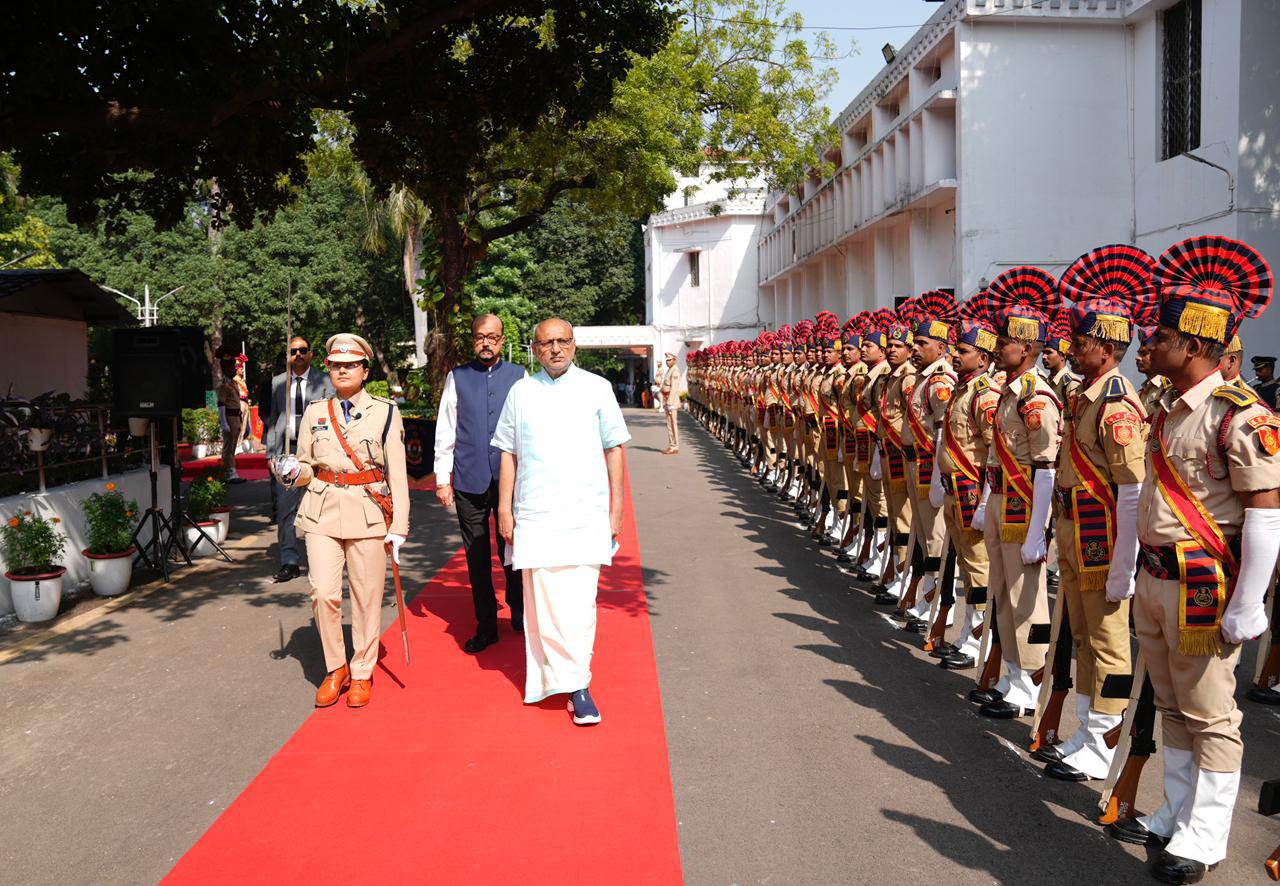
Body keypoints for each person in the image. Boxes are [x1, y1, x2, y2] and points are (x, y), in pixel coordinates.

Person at [1105, 236, 1279, 885]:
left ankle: (1206, 836)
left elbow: (1265, 510)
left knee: (1212, 715)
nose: (1150, 344)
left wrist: (1248, 603)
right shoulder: (1162, 405)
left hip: (1203, 585)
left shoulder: (1240, 416)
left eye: (1163, 336)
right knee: (1174, 706)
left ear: (1196, 344)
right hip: (1155, 578)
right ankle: (1177, 812)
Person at [1038, 245, 1153, 783]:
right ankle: (1086, 730)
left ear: (1105, 349)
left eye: (1080, 343)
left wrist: (1124, 567)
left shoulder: (1116, 404)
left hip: (1103, 536)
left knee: (1106, 638)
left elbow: (1131, 490)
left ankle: (1104, 736)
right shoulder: (1086, 396)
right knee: (1082, 635)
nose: (1071, 349)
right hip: (1075, 529)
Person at [494, 318, 630, 726]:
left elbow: (614, 449)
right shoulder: (521, 391)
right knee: (543, 604)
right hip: (535, 514)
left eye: (562, 341)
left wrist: (617, 508)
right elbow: (507, 453)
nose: (554, 349)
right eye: (546, 343)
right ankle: (558, 680)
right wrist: (504, 509)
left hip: (586, 513)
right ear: (534, 349)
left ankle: (579, 684)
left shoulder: (597, 388)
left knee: (580, 603)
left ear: (574, 346)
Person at [273, 333, 410, 709]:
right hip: (322, 511)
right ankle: (336, 668)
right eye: (336, 366)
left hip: (368, 513)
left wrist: (399, 526)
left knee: (367, 598)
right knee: (323, 594)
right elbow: (306, 465)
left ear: (365, 370)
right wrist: (290, 471)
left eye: (350, 365)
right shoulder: (316, 412)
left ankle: (362, 670)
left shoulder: (385, 411)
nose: (342, 371)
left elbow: (397, 473)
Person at [971, 267, 1062, 720]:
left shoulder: (1036, 397)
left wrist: (1038, 531)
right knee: (1003, 591)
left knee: (1027, 599)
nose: (997, 347)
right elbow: (995, 454)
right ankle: (1010, 674)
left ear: (1026, 348)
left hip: (1025, 505)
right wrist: (986, 503)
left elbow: (1046, 467)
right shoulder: (1009, 392)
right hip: (1002, 499)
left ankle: (1026, 683)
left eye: (1004, 341)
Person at [434, 313, 527, 653]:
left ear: (503, 340)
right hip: (469, 478)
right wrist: (443, 478)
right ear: (472, 340)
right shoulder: (457, 377)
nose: (486, 342)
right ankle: (486, 625)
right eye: (479, 337)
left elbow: (527, 429)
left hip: (510, 480)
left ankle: (518, 610)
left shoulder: (520, 376)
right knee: (476, 556)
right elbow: (446, 429)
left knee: (514, 549)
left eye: (492, 337)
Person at [265, 335, 335, 583]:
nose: (298, 355)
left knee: (320, 507)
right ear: (287, 355)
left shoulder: (325, 381)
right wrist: (271, 454)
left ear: (310, 354)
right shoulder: (278, 383)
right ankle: (289, 561)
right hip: (288, 452)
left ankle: (322, 559)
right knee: (285, 509)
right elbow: (273, 421)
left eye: (303, 350)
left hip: (317, 455)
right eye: (293, 351)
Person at [216, 357, 246, 484]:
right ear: (225, 369)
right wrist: (223, 422)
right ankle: (229, 473)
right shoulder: (224, 385)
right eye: (232, 367)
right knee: (228, 447)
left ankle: (231, 471)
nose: (234, 369)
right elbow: (221, 404)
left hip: (235, 417)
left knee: (232, 446)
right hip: (229, 417)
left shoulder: (233, 383)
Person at [660, 351, 682, 454]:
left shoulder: (675, 371)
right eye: (666, 360)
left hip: (671, 400)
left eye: (669, 360)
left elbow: (674, 388)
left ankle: (675, 446)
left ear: (674, 360)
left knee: (673, 423)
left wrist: (670, 403)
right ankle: (672, 445)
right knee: (669, 423)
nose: (667, 362)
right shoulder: (670, 370)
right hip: (667, 399)